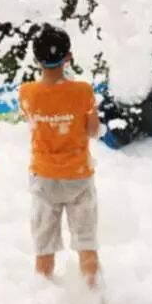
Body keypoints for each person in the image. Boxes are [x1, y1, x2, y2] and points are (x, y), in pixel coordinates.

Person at [18, 24, 101, 287]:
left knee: (44, 250)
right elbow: (93, 130)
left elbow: (31, 120)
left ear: (36, 60)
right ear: (68, 57)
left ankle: (45, 301)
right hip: (78, 176)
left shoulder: (27, 92)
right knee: (87, 245)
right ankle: (94, 298)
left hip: (44, 177)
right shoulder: (83, 91)